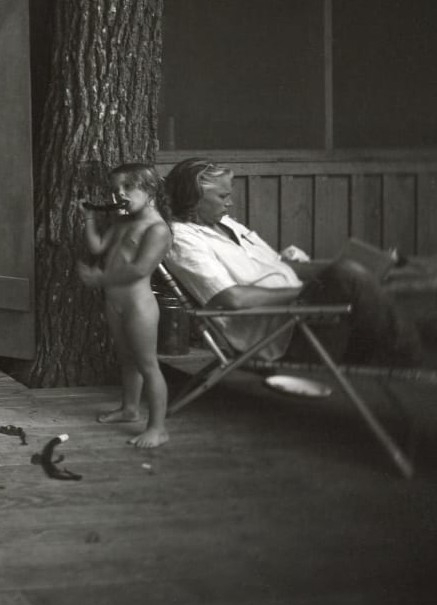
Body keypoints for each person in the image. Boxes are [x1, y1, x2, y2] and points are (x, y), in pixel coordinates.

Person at [163, 158, 422, 367]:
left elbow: (280, 264)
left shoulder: (226, 224)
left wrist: (336, 269)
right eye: (222, 196)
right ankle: (414, 363)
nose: (229, 202)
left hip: (308, 313)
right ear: (194, 197)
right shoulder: (182, 239)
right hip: (285, 335)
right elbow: (231, 298)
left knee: (386, 278)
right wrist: (306, 292)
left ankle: (412, 351)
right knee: (353, 277)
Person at [77, 162, 173, 449]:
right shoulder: (122, 221)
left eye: (127, 187)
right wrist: (89, 219)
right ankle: (130, 408)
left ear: (150, 189)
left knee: (147, 364)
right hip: (115, 302)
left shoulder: (157, 229)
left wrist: (100, 277)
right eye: (114, 189)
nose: (118, 194)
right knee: (127, 360)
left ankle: (158, 428)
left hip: (138, 305)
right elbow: (97, 248)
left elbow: (140, 269)